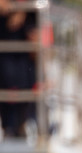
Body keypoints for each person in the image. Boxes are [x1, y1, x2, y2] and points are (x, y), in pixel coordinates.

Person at [0, 0, 38, 142]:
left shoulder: (29, 17)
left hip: (22, 61)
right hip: (6, 57)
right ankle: (10, 128)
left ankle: (21, 126)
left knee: (23, 90)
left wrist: (21, 9)